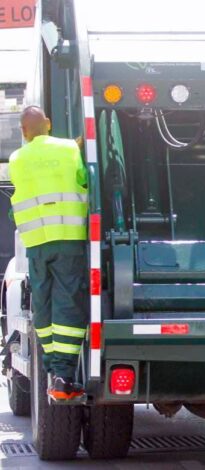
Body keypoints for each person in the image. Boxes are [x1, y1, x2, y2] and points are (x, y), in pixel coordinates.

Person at [9, 106, 89, 400]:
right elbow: (83, 178)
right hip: (68, 239)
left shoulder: (17, 159)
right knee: (67, 301)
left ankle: (51, 369)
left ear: (23, 131)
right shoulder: (69, 149)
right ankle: (64, 373)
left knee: (42, 301)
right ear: (49, 124)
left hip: (36, 243)